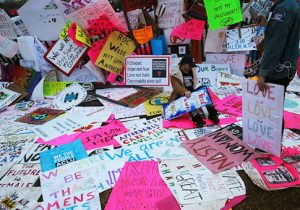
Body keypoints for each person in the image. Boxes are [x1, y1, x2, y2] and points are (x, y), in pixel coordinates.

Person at [257, 0, 300, 92]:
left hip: (278, 70)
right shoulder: (291, 5)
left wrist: (263, 73)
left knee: (269, 105)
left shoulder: (284, 8)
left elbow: (275, 43)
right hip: (285, 67)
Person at [169, 54, 219, 127]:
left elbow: (196, 83)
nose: (191, 67)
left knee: (204, 89)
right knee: (188, 98)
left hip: (192, 93)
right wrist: (185, 91)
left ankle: (212, 113)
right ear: (185, 64)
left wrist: (199, 90)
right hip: (181, 95)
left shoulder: (192, 70)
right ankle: (197, 119)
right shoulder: (174, 74)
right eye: (190, 65)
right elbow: (176, 88)